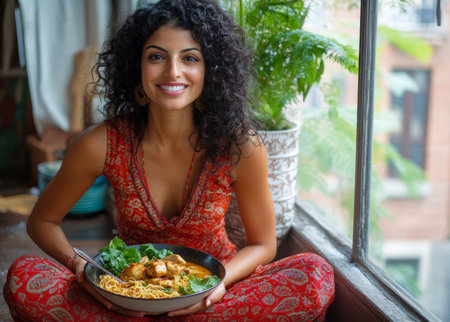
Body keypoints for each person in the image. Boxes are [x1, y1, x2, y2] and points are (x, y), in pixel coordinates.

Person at [3, 0, 334, 320]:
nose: (173, 71)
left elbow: (263, 244)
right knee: (23, 277)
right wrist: (84, 272)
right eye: (157, 56)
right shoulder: (101, 143)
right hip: (125, 298)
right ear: (138, 67)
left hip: (215, 297)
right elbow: (41, 222)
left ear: (210, 70)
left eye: (190, 58)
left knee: (315, 275)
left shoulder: (240, 146)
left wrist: (218, 285)